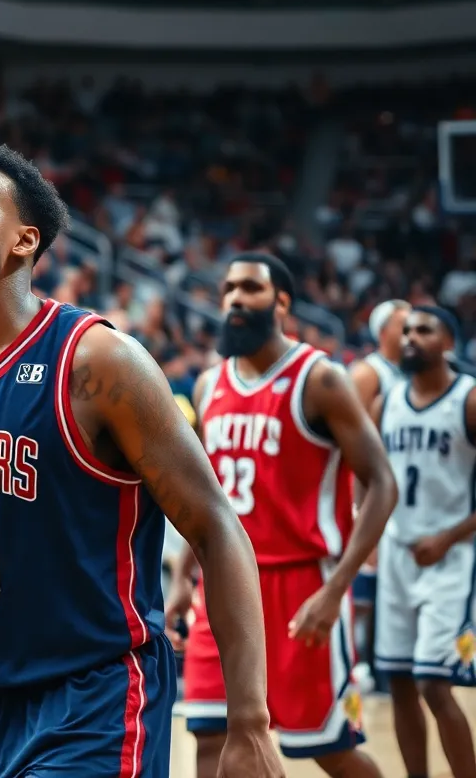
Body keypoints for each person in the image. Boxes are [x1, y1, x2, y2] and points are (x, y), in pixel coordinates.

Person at [0, 143, 282, 777]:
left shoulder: (98, 362)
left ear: (23, 241)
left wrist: (250, 721)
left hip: (85, 702)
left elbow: (215, 526)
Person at [171, 253, 397, 778]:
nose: (235, 299)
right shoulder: (208, 385)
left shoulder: (320, 379)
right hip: (222, 583)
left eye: (250, 288)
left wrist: (336, 589)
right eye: (228, 288)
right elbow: (205, 496)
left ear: (282, 302)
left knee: (327, 748)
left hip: (300, 585)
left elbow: (383, 482)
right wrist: (183, 575)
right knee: (210, 736)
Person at [373, 306, 476, 778]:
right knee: (398, 681)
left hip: (451, 558)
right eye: (407, 330)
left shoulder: (467, 399)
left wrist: (449, 536)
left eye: (424, 330)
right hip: (397, 555)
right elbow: (370, 473)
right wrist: (367, 527)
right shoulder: (387, 402)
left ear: (448, 343)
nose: (411, 337)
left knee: (434, 683)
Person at [348, 299, 409, 690]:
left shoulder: (409, 373)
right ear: (384, 332)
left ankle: (384, 665)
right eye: (405, 326)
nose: (412, 334)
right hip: (370, 494)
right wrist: (358, 507)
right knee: (365, 588)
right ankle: (357, 665)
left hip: (401, 498)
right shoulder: (368, 373)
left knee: (390, 588)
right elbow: (347, 445)